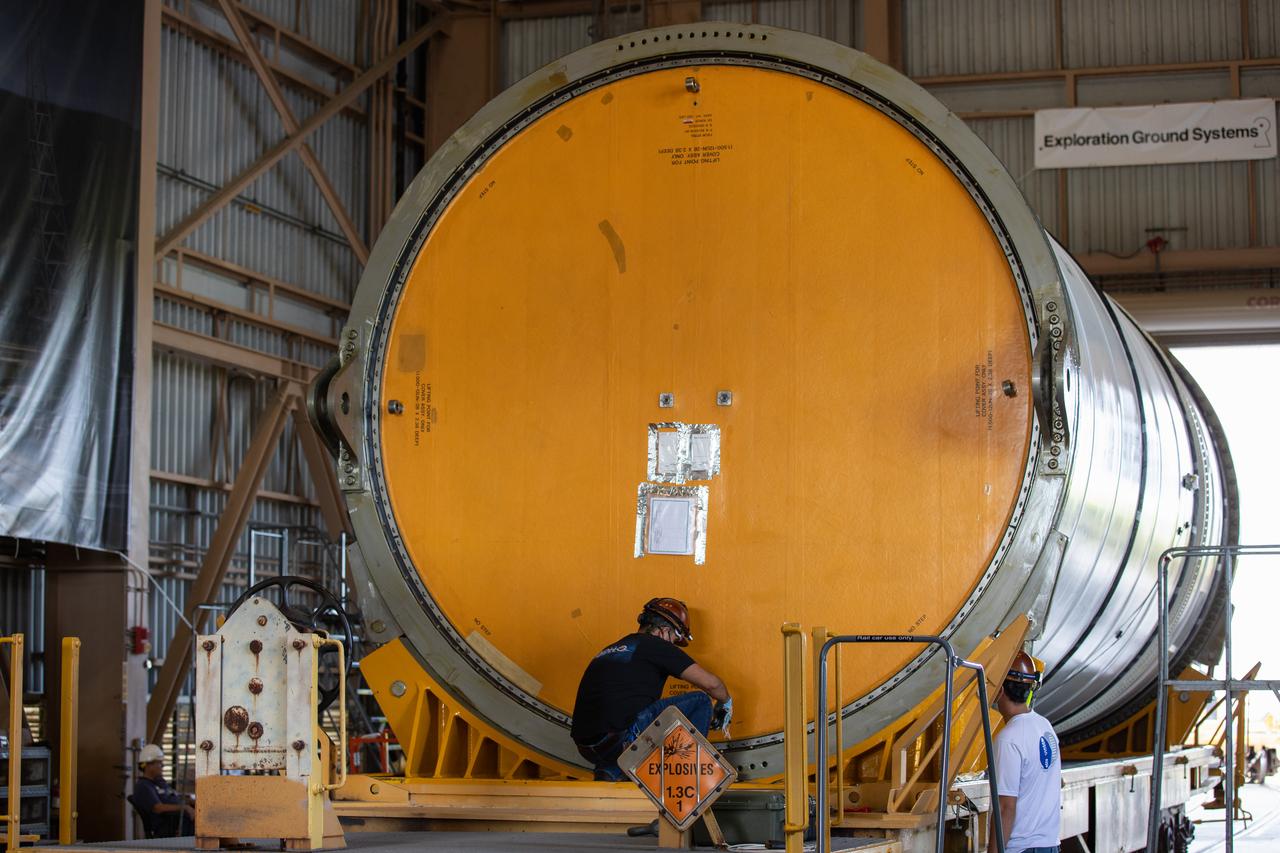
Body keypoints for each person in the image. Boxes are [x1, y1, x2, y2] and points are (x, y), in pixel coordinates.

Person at [571, 597, 731, 781]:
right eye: (674, 639)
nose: (672, 645)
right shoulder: (655, 645)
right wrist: (725, 702)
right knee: (701, 701)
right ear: (663, 631)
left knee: (627, 718)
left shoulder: (612, 649)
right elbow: (712, 684)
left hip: (588, 746)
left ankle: (611, 771)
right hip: (622, 738)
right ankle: (681, 781)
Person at [989, 651, 1061, 853]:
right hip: (1049, 844)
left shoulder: (1008, 739)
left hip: (1021, 848)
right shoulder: (1045, 727)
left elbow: (1005, 807)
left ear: (1000, 690)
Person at [133, 744, 194, 838]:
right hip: (167, 826)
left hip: (179, 820)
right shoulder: (143, 786)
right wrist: (185, 807)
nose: (162, 766)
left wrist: (188, 800)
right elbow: (158, 808)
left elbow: (172, 796)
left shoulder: (158, 783)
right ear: (149, 765)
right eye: (159, 763)